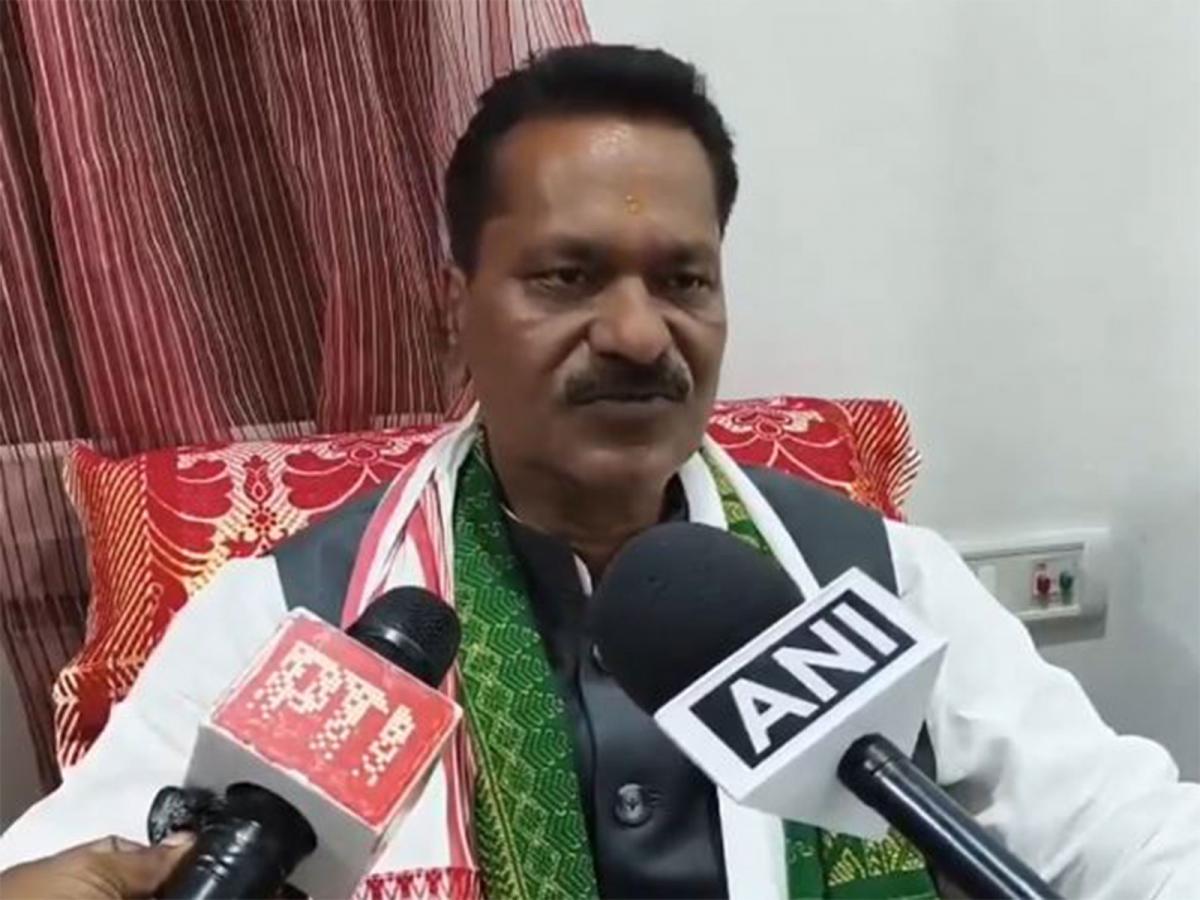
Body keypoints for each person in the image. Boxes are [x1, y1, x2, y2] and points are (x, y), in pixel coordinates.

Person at [2, 44, 1198, 900]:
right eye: (567, 278)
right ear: (452, 317)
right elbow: (80, 862)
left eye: (683, 280)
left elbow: (1127, 832)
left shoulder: (874, 580)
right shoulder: (296, 619)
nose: (636, 334)